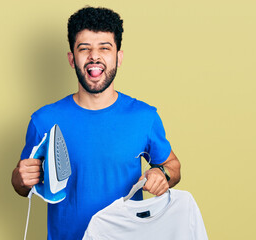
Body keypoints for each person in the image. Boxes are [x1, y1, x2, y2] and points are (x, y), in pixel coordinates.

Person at [11, 6, 181, 240]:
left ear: (118, 57)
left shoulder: (144, 117)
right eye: (84, 49)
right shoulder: (43, 120)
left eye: (105, 48)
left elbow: (173, 166)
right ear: (72, 59)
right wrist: (20, 179)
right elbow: (22, 184)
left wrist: (162, 174)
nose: (95, 57)